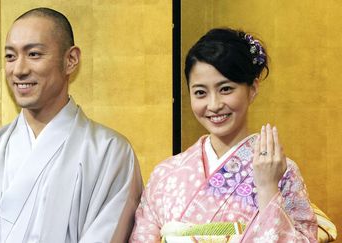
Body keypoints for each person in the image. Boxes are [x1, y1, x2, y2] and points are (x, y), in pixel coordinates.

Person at [0, 7, 142, 243]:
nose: (19, 69)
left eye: (34, 54)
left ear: (71, 60)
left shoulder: (109, 152)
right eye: (10, 56)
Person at [130, 28, 318, 242]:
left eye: (226, 89)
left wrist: (267, 188)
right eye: (200, 92)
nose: (214, 105)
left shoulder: (282, 172)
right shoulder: (165, 175)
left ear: (252, 89)